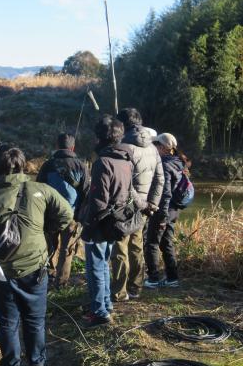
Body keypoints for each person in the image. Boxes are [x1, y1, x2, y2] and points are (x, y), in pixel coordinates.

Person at [0, 146, 73, 366]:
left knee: (7, 322)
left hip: (1, 272)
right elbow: (67, 215)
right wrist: (44, 231)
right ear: (23, 165)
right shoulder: (42, 190)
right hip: (36, 268)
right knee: (35, 321)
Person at [81, 116, 133, 327]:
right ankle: (105, 304)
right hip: (115, 221)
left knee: (95, 268)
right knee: (103, 265)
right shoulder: (125, 160)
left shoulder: (102, 162)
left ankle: (99, 312)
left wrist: (87, 226)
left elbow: (98, 200)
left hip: (100, 223)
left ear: (99, 138)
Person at [111, 108, 164, 302]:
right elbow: (160, 179)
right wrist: (152, 204)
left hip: (125, 205)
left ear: (122, 125)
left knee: (120, 248)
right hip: (144, 208)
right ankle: (136, 287)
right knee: (136, 246)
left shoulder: (124, 147)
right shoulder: (152, 147)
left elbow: (125, 182)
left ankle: (119, 291)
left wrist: (142, 203)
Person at [36, 133, 90, 288]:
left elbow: (39, 189)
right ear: (73, 147)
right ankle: (61, 283)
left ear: (57, 146)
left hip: (50, 215)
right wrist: (80, 217)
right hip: (72, 216)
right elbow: (86, 194)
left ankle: (48, 275)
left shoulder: (48, 165)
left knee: (49, 246)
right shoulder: (81, 166)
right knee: (67, 250)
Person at [144, 133, 188, 288]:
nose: (154, 147)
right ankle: (172, 277)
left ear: (162, 147)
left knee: (151, 243)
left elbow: (165, 193)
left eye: (156, 144)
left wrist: (161, 216)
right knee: (166, 243)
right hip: (174, 210)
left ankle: (153, 279)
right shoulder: (178, 162)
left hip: (163, 210)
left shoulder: (164, 165)